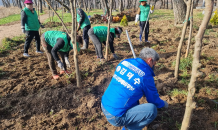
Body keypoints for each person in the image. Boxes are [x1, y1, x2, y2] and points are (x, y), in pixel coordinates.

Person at [101, 48, 168, 130]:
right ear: (150, 60)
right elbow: (153, 100)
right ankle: (128, 128)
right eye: (154, 63)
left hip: (104, 104)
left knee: (130, 95)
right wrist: (164, 104)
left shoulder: (125, 62)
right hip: (116, 116)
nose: (154, 66)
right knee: (152, 110)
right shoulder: (146, 76)